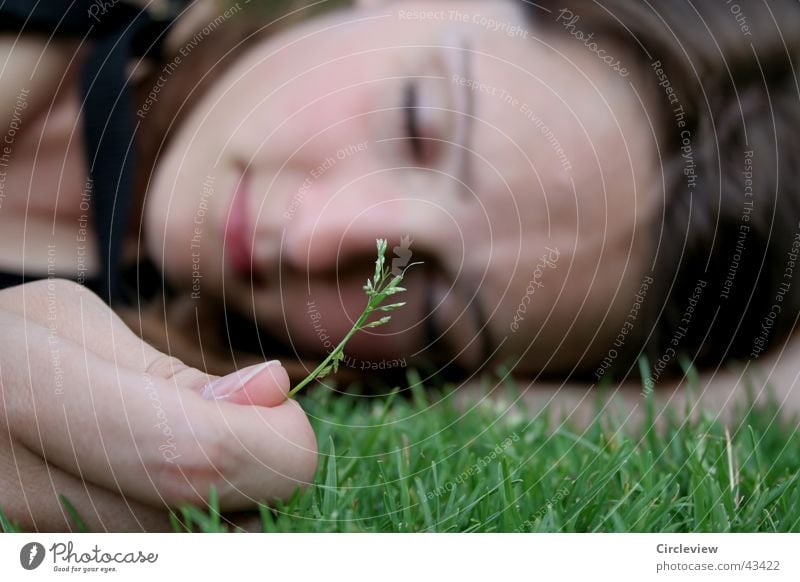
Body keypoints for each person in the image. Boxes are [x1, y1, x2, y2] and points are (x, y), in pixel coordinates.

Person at [0, 0, 798, 531]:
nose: (319, 237)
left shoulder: (125, 371)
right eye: (419, 120)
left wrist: (734, 398)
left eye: (431, 309)